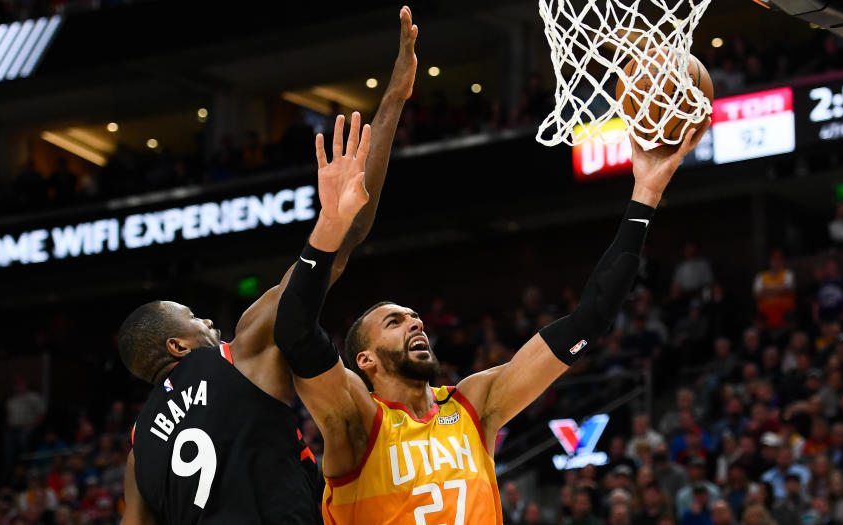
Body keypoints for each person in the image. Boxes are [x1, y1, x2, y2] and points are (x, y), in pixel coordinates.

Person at [275, 112, 710, 522]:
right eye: (394, 322)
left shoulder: (473, 405)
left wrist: (645, 196)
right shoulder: (359, 420)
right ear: (365, 360)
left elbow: (590, 319)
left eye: (414, 317)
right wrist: (330, 227)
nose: (415, 323)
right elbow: (294, 332)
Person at [116, 8, 418, 524]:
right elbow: (346, 237)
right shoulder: (242, 351)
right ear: (176, 345)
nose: (209, 322)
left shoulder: (137, 448)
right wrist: (392, 102)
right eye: (193, 317)